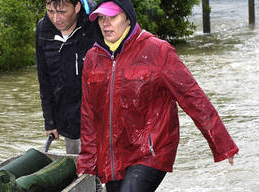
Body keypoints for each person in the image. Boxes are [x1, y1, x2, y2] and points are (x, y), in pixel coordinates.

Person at [77, 0, 239, 191]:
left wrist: (222, 144)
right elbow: (89, 115)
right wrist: (87, 160)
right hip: (113, 153)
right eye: (102, 18)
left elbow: (193, 98)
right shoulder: (93, 58)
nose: (106, 23)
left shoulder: (158, 51)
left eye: (112, 17)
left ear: (128, 19)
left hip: (151, 150)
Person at [36, 0, 96, 154]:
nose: (56, 18)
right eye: (50, 11)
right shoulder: (43, 30)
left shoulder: (95, 25)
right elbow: (44, 80)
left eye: (62, 12)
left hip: (97, 116)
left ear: (77, 7)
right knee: (75, 163)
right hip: (67, 117)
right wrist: (49, 122)